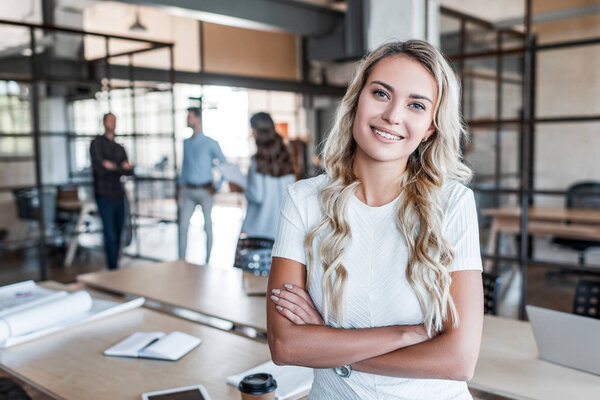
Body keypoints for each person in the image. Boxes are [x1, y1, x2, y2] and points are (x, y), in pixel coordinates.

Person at [266, 40, 484, 399]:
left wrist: (328, 343)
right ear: (356, 102)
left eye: (416, 105)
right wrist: (406, 334)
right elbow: (286, 345)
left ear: (430, 126)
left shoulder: (454, 204)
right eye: (381, 93)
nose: (393, 116)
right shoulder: (302, 200)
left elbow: (459, 360)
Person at [178, 106, 226, 264]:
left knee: (208, 228)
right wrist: (180, 187)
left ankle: (207, 262)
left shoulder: (210, 143)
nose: (188, 119)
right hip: (188, 191)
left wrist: (217, 185)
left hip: (206, 191)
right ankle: (181, 261)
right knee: (183, 226)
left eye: (190, 116)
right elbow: (184, 166)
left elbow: (225, 166)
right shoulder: (186, 143)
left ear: (198, 119)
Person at [240, 112, 296, 240]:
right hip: (281, 230)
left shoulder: (258, 160)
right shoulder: (286, 158)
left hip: (256, 230)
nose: (252, 133)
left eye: (253, 129)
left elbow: (256, 195)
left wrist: (242, 186)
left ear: (259, 131)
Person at [90, 113, 133, 270]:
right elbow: (100, 169)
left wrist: (112, 166)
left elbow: (128, 171)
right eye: (110, 120)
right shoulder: (96, 144)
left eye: (114, 120)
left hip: (118, 194)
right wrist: (119, 167)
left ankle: (116, 264)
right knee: (110, 234)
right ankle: (112, 267)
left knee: (118, 231)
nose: (112, 123)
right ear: (104, 122)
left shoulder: (119, 148)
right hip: (104, 195)